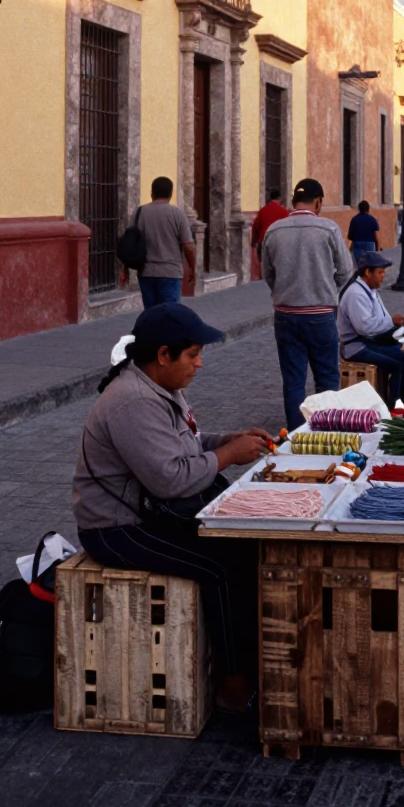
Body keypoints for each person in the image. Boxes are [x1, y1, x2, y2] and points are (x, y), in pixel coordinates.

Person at [73, 303, 272, 710]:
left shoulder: (160, 387)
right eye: (193, 354)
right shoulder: (132, 401)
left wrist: (226, 439)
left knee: (244, 546)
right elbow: (171, 478)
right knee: (219, 568)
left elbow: (186, 445)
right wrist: (230, 454)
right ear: (164, 355)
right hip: (116, 528)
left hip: (151, 512)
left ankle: (250, 661)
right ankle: (232, 685)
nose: (199, 364)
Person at [262, 178, 351, 428]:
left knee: (293, 380)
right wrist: (326, 287)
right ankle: (327, 431)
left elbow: (268, 274)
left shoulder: (274, 230)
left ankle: (295, 435)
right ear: (319, 201)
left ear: (293, 201)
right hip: (321, 313)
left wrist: (284, 290)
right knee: (327, 378)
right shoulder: (328, 228)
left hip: (286, 315)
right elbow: (345, 270)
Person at [337, 252, 404, 406]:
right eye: (380, 272)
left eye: (384, 272)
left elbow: (381, 319)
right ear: (367, 273)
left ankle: (402, 402)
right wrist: (392, 320)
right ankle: (394, 407)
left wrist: (397, 323)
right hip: (357, 347)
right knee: (398, 363)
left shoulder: (370, 289)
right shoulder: (356, 294)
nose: (383, 276)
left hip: (371, 341)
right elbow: (365, 328)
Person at [121, 176, 195, 308]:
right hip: (170, 272)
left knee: (151, 314)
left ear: (151, 193)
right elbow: (188, 246)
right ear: (170, 194)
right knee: (171, 314)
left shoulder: (139, 212)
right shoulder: (177, 214)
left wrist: (125, 269)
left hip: (146, 272)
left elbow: (129, 243)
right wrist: (192, 269)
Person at [250, 189, 289, 267]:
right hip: (279, 242)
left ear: (270, 198)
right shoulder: (284, 211)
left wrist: (253, 242)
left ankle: (263, 278)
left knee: (263, 263)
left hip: (264, 241)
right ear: (280, 199)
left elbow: (256, 226)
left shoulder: (263, 210)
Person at [347, 200, 381, 264]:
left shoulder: (354, 219)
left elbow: (350, 236)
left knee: (358, 265)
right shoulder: (373, 219)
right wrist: (377, 251)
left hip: (357, 244)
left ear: (359, 209)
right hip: (369, 245)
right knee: (369, 265)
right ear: (368, 209)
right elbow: (376, 238)